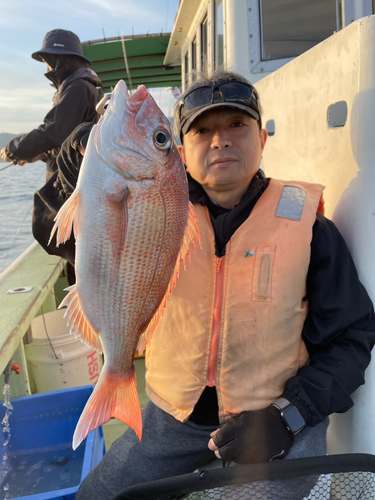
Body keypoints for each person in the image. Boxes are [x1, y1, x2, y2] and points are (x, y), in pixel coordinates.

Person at [67, 69, 375, 499]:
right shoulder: (156, 211)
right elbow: (82, 249)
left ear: (262, 138)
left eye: (237, 124)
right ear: (181, 152)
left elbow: (351, 338)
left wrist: (289, 416)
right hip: (172, 419)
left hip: (273, 424)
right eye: (203, 130)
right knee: (98, 496)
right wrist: (65, 184)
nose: (220, 140)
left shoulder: (311, 229)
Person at [0, 29, 103, 180]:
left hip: (70, 181)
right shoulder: (84, 86)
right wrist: (44, 154)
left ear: (58, 60)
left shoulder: (78, 88)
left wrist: (11, 150)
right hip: (75, 177)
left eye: (46, 61)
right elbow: (69, 138)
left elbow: (53, 132)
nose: (46, 68)